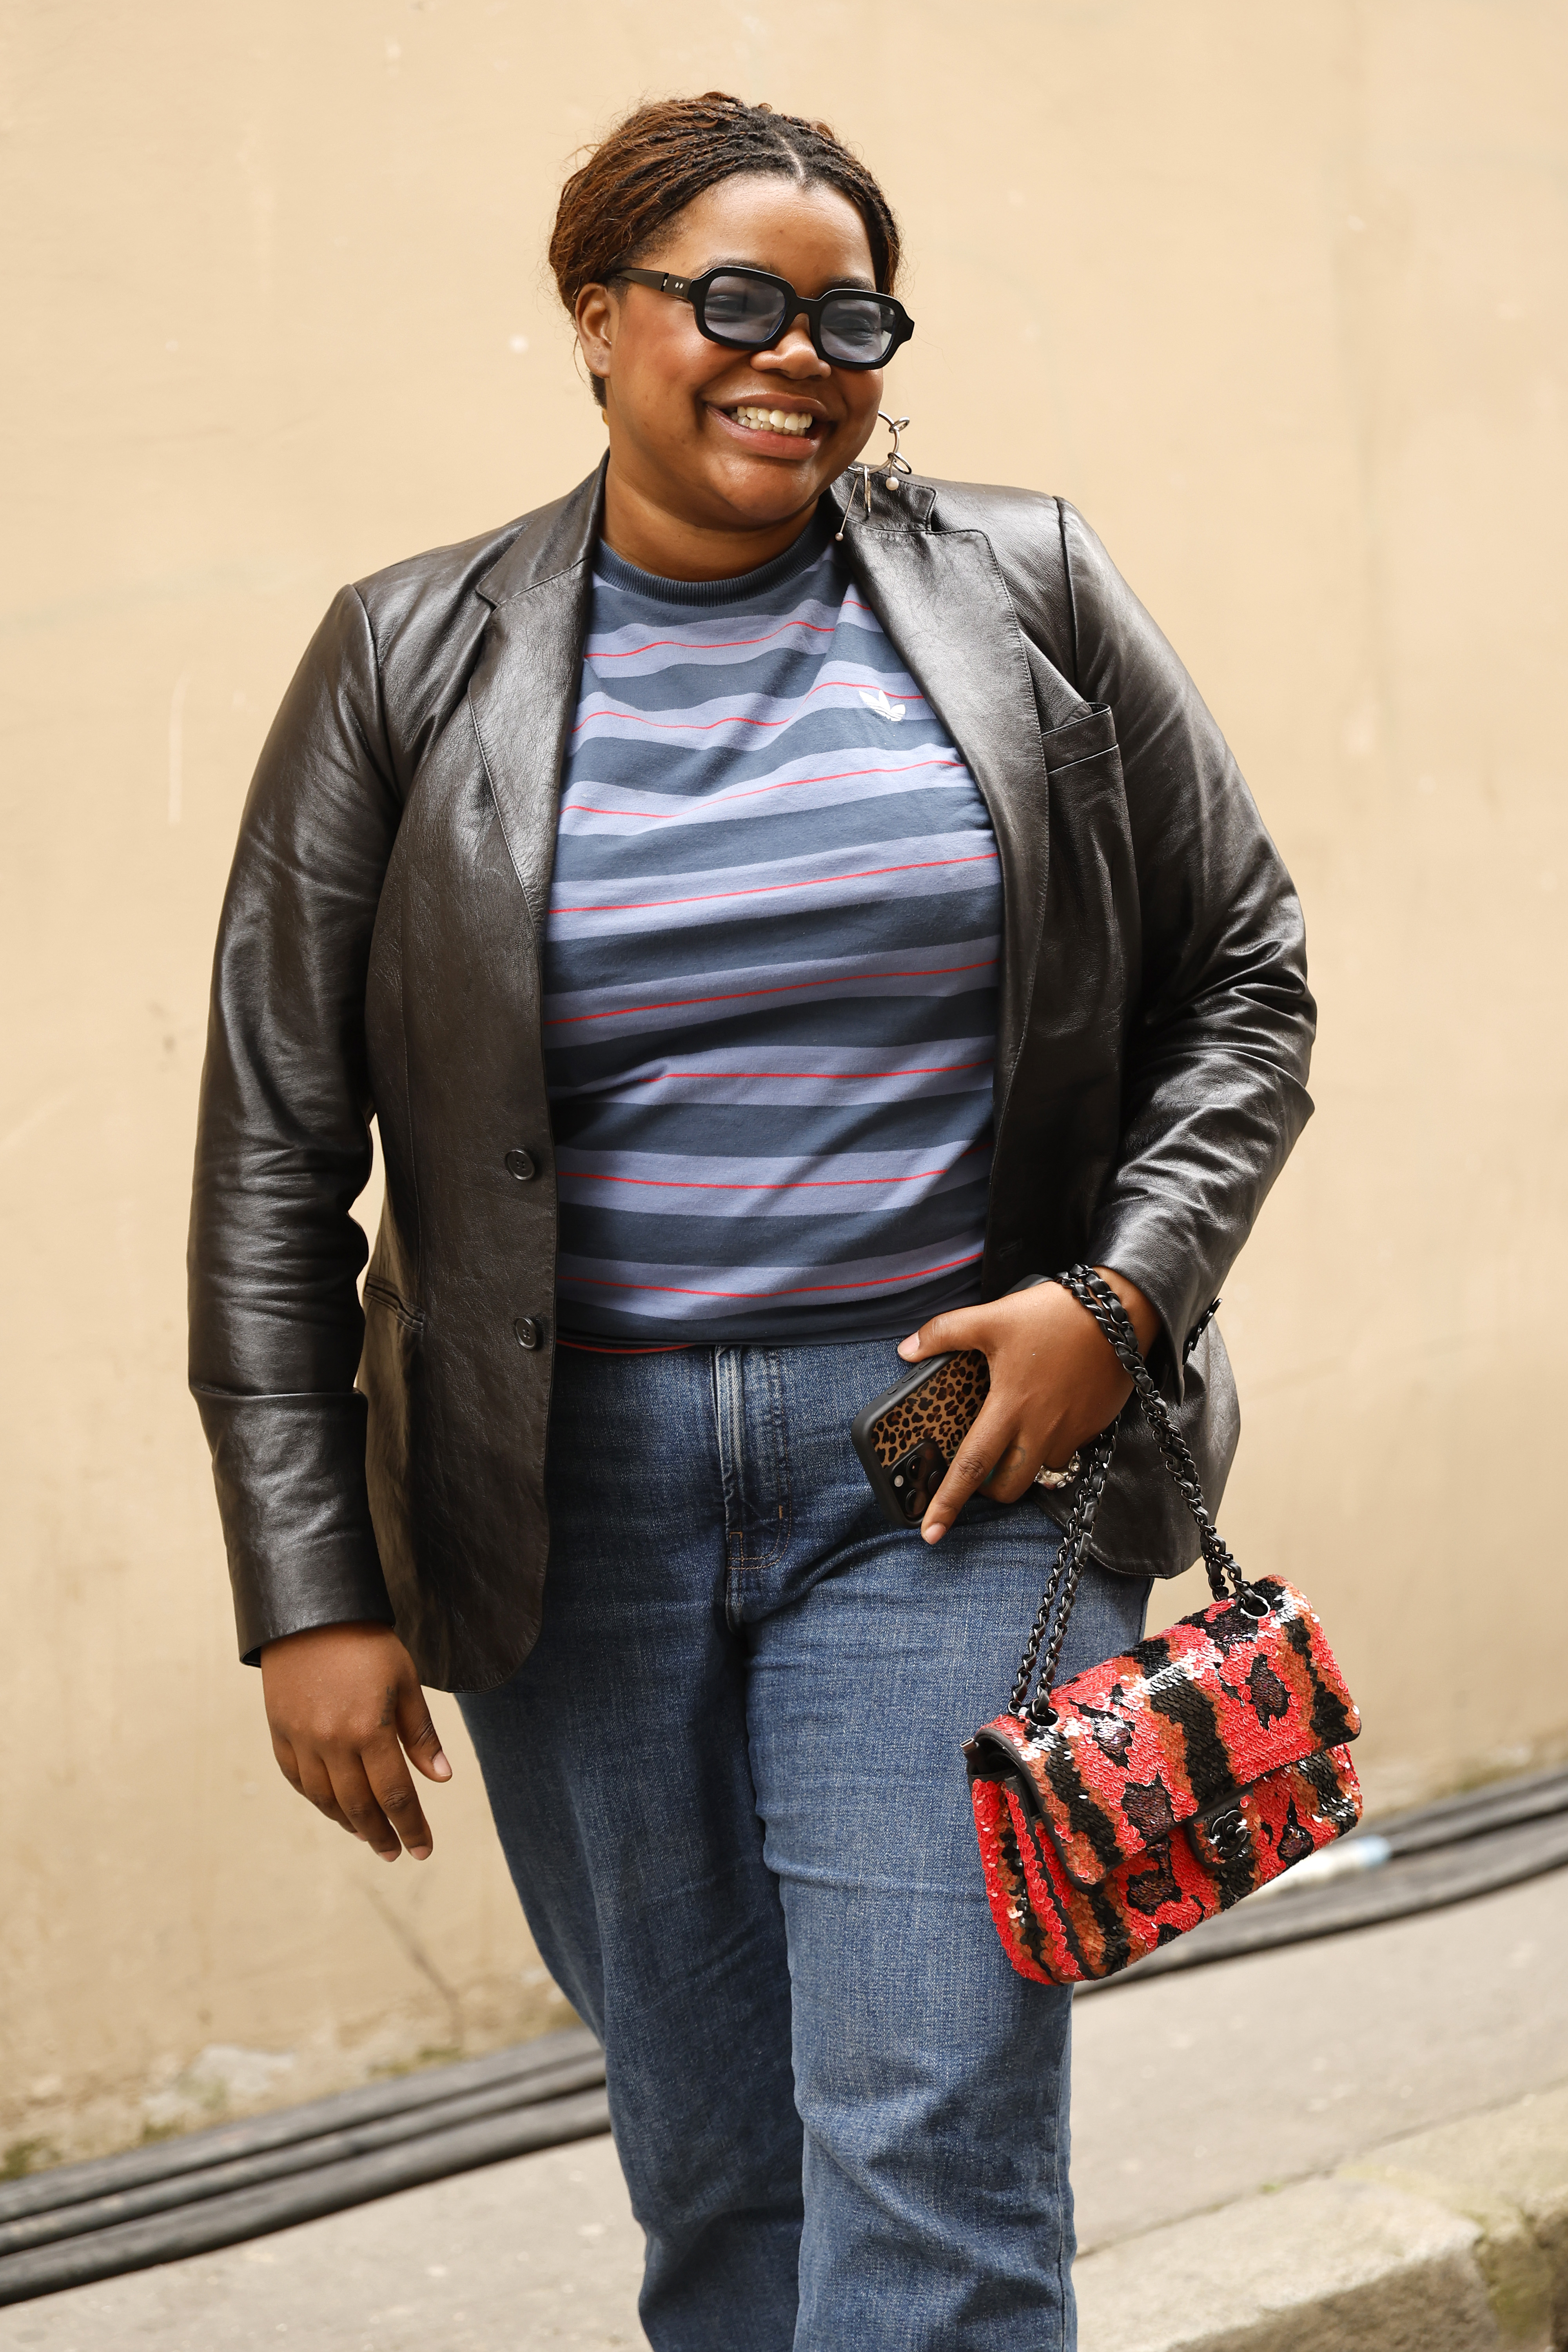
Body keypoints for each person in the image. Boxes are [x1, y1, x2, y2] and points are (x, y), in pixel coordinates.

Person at [189, 92, 1314, 2352]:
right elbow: (275, 1148)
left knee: (937, 2151)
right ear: (598, 319)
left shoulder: (1034, 588)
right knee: (720, 2176)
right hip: (556, 1500)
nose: (791, 354)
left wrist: (1128, 1291)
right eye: (729, 302)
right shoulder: (406, 659)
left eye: (846, 315)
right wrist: (310, 1584)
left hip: (951, 1469)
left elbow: (1247, 976)